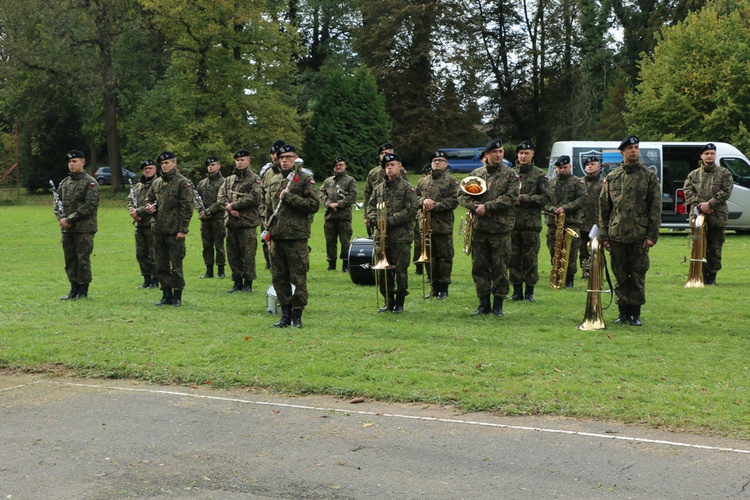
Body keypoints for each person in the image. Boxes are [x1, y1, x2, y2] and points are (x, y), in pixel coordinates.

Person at [599, 135, 661, 326]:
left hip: (639, 234)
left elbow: (655, 207)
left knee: (637, 274)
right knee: (619, 274)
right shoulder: (612, 176)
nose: (634, 150)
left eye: (636, 147)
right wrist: (604, 236)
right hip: (616, 234)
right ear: (622, 152)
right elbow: (604, 208)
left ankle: (635, 312)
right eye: (629, 148)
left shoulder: (648, 175)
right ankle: (622, 311)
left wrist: (652, 235)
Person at [457, 138, 520, 317]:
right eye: (495, 152)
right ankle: (483, 303)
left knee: (500, 267)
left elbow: (511, 197)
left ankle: (498, 305)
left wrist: (488, 206)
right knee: (480, 267)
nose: (498, 154)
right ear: (487, 155)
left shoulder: (510, 174)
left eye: (500, 151)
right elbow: (461, 195)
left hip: (500, 229)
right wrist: (475, 207)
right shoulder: (476, 174)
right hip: (480, 229)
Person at [265, 144, 320, 328]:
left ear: (296, 158)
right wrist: (267, 234)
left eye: (289, 157)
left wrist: (290, 197)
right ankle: (285, 314)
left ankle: (297, 314)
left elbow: (313, 205)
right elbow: (269, 210)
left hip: (296, 237)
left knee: (298, 277)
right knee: (278, 277)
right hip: (277, 236)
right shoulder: (274, 180)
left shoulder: (304, 178)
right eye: (281, 157)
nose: (284, 160)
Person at [366, 153, 418, 313]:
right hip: (381, 238)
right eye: (387, 166)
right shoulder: (379, 188)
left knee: (400, 271)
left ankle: (399, 302)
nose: (389, 168)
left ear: (400, 166)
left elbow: (410, 210)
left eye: (393, 165)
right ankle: (388, 301)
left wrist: (389, 220)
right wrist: (375, 218)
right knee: (383, 272)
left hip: (400, 237)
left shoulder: (407, 188)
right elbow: (371, 207)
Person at [145, 151, 194, 307]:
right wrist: (149, 207)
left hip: (174, 231)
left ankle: (177, 295)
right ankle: (166, 294)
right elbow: (149, 198)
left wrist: (183, 230)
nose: (164, 166)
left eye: (167, 163)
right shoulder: (157, 182)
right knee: (161, 264)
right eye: (162, 164)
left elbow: (187, 208)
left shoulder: (182, 183)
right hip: (158, 230)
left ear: (174, 163)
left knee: (176, 265)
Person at [682, 143, 734, 285]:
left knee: (714, 247)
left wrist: (710, 204)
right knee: (699, 246)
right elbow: (687, 191)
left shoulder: (725, 173)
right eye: (706, 154)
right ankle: (698, 274)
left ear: (715, 155)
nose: (709, 156)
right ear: (701, 156)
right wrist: (701, 206)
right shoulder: (693, 174)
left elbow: (726, 191)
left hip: (717, 215)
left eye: (712, 153)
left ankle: (711, 276)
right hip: (698, 216)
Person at [55, 150, 100, 300]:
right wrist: (61, 218)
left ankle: (83, 290)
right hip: (67, 230)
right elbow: (57, 203)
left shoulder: (90, 182)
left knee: (83, 259)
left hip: (83, 229)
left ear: (83, 162)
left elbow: (90, 205)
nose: (71, 164)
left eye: (74, 161)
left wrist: (70, 219)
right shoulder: (64, 183)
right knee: (70, 259)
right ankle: (73, 288)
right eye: (69, 162)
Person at [509, 140, 550, 302]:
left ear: (532, 154)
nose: (523, 156)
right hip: (512, 224)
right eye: (521, 153)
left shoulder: (540, 175)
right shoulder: (510, 174)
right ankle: (516, 290)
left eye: (526, 153)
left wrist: (525, 199)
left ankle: (529, 291)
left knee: (530, 259)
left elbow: (546, 197)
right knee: (513, 259)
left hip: (530, 225)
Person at [415, 151, 459, 299]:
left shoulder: (451, 181)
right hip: (426, 225)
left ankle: (444, 287)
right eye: (434, 160)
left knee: (444, 257)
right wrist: (423, 202)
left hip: (443, 225)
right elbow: (414, 199)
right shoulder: (423, 181)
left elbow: (454, 201)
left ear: (446, 164)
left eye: (440, 160)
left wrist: (436, 206)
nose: (437, 163)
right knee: (429, 257)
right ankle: (433, 287)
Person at [218, 149, 263, 293]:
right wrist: (229, 209)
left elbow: (254, 197)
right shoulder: (229, 180)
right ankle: (237, 282)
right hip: (231, 223)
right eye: (237, 160)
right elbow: (221, 197)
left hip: (247, 223)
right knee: (233, 254)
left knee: (248, 254)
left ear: (249, 161)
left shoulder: (254, 179)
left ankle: (248, 283)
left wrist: (235, 205)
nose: (239, 162)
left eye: (242, 160)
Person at [545, 155, 586, 288]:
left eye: (565, 167)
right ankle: (556, 276)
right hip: (554, 223)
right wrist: (553, 209)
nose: (562, 170)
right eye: (559, 168)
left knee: (571, 252)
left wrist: (566, 208)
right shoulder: (550, 182)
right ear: (556, 168)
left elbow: (582, 199)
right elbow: (543, 200)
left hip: (571, 223)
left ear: (570, 167)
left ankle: (569, 279)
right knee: (554, 250)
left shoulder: (577, 182)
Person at [319, 156, 358, 272]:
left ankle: (346, 264)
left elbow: (353, 196)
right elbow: (321, 194)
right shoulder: (328, 181)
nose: (338, 167)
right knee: (330, 242)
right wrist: (329, 204)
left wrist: (338, 204)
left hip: (344, 217)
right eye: (336, 165)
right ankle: (331, 264)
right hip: (330, 217)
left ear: (345, 166)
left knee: (345, 242)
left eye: (341, 165)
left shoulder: (350, 180)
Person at [363, 143, 408, 237]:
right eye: (382, 153)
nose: (384, 155)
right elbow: (367, 194)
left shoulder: (401, 170)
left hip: (395, 212)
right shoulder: (373, 173)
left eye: (386, 153)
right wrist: (366, 216)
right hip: (378, 213)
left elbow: (406, 190)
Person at [127, 159, 159, 289]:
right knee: (141, 253)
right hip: (139, 225)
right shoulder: (138, 186)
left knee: (153, 253)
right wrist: (132, 211)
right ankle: (146, 278)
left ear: (155, 170)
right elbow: (130, 199)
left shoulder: (158, 184)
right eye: (145, 169)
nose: (148, 170)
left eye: (150, 168)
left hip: (152, 223)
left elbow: (156, 203)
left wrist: (138, 212)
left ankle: (155, 279)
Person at [196, 156, 226, 279]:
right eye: (208, 165)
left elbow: (223, 200)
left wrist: (209, 211)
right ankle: (209, 270)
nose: (210, 167)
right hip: (205, 219)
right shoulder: (202, 183)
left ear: (219, 166)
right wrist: (201, 211)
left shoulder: (224, 182)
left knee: (219, 245)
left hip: (218, 218)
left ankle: (221, 269)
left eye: (213, 165)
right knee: (206, 245)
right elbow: (196, 198)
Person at [258, 140, 285, 270]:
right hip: (267, 215)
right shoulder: (267, 173)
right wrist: (262, 214)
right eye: (272, 153)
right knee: (266, 240)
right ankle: (269, 263)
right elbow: (262, 195)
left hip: (285, 217)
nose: (274, 156)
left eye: (277, 153)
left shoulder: (292, 172)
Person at [579, 155, 605, 280]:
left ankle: (597, 271)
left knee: (597, 249)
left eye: (592, 164)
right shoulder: (579, 182)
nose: (589, 166)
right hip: (583, 222)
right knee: (583, 249)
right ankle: (585, 272)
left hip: (598, 221)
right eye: (587, 165)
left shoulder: (604, 182)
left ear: (599, 167)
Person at [413, 162, 432, 275]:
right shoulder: (421, 183)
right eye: (426, 174)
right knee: (419, 243)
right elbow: (415, 197)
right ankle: (418, 266)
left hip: (436, 219)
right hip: (421, 216)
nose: (428, 175)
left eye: (430, 173)